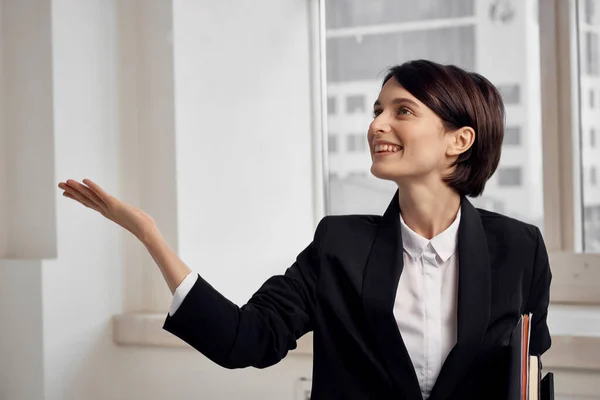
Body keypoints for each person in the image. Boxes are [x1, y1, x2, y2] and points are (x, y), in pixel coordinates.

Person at [58, 59, 551, 400]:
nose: (377, 125)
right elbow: (245, 340)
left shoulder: (519, 250)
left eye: (403, 110)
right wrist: (149, 235)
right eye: (377, 110)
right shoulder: (339, 245)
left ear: (458, 140)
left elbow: (525, 374)